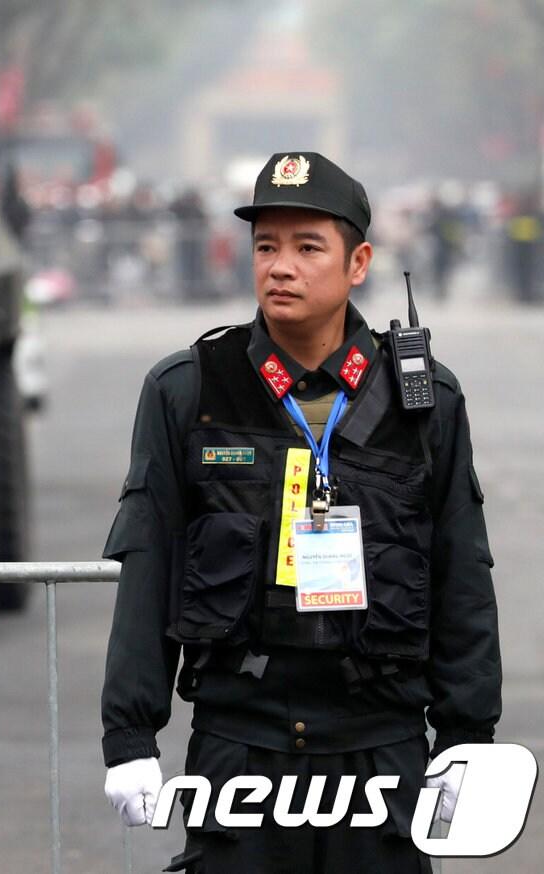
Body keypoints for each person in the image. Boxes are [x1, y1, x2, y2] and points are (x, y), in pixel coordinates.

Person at [98, 153, 501, 873]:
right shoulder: (189, 392)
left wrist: (467, 737)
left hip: (381, 748)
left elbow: (460, 568)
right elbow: (148, 564)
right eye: (265, 246)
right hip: (240, 748)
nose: (280, 266)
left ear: (359, 263)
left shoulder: (424, 401)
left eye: (308, 246)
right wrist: (130, 736)